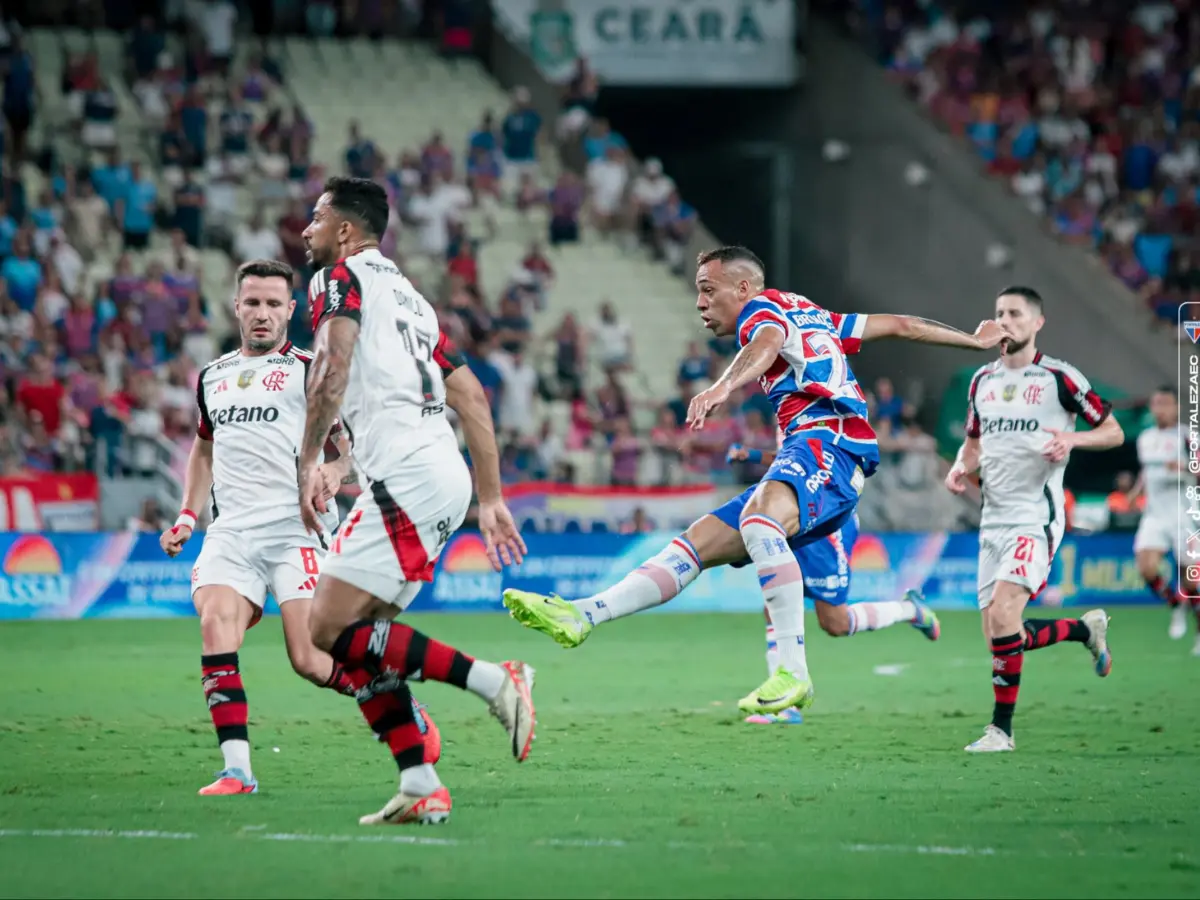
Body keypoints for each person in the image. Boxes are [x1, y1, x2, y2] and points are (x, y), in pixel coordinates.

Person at [504, 245, 1005, 716]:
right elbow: (900, 324)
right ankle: (583, 615)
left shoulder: (760, 314)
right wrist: (973, 339)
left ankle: (792, 671)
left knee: (763, 525)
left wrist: (720, 387)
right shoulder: (812, 313)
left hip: (830, 443)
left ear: (743, 289)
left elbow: (766, 343)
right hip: (808, 452)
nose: (700, 303)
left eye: (708, 289)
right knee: (695, 544)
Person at [297, 177, 534, 827]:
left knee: (325, 627)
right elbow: (473, 398)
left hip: (408, 477)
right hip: (435, 474)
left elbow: (332, 368)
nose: (305, 231)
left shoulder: (338, 281)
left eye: (316, 220)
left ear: (346, 232)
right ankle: (420, 781)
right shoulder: (413, 302)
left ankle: (497, 680)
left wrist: (310, 458)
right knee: (358, 641)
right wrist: (488, 497)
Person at [159, 259, 439, 797]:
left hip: (296, 529)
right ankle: (237, 770)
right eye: (252, 303)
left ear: (290, 310)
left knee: (310, 660)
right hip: (233, 533)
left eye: (272, 304)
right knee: (215, 623)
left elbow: (353, 446)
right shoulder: (212, 376)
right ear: (235, 307)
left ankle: (395, 702)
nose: (261, 314)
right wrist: (188, 517)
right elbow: (204, 448)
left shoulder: (314, 371)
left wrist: (333, 471)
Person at [945, 286, 1124, 753]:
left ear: (1037, 322)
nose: (1006, 320)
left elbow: (1113, 430)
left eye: (1016, 314)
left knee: (1005, 616)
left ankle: (1000, 732)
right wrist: (960, 466)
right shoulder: (981, 379)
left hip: (1035, 517)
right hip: (992, 521)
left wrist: (1072, 441)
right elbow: (974, 442)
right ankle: (1086, 630)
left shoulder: (1060, 379)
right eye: (1000, 312)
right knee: (1002, 636)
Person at [726, 443, 938, 726]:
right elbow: (787, 458)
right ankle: (786, 705)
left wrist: (752, 455)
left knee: (835, 622)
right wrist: (751, 455)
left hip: (826, 522)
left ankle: (909, 609)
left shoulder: (821, 410)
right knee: (774, 604)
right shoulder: (789, 411)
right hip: (797, 515)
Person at [1126, 386, 1197, 647]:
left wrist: (1186, 466)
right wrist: (1136, 491)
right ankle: (1176, 604)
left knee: (1191, 577)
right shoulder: (1145, 438)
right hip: (1154, 513)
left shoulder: (1187, 436)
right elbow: (1148, 470)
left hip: (1182, 511)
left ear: (1176, 407)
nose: (1161, 408)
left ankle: (1199, 632)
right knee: (1146, 567)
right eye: (1156, 403)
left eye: (1166, 403)